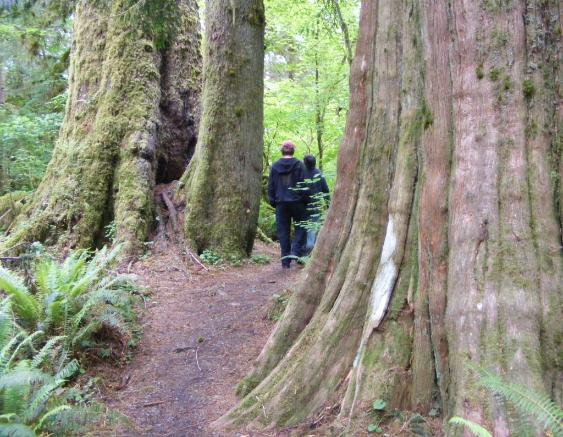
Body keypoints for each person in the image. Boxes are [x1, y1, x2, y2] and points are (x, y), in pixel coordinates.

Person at [268, 141, 308, 269]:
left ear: (282, 151)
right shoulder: (300, 165)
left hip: (281, 203)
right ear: (293, 151)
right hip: (298, 203)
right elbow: (305, 185)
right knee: (301, 228)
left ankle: (285, 261)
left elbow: (271, 186)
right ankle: (295, 253)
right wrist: (304, 200)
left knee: (283, 232)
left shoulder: (275, 166)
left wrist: (273, 201)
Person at [303, 155, 330, 254]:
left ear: (305, 163)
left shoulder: (301, 173)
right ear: (314, 163)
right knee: (312, 228)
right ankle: (310, 247)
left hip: (302, 205)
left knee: (302, 228)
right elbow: (326, 191)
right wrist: (328, 205)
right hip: (315, 206)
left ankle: (303, 251)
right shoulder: (319, 174)